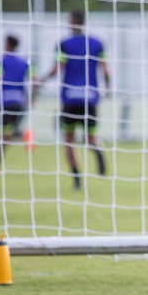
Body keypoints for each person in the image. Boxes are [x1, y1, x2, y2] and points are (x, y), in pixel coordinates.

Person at [39, 10, 111, 190]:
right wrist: (108, 87)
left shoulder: (64, 44)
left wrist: (43, 79)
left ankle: (77, 180)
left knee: (69, 140)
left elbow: (58, 68)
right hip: (90, 98)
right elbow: (105, 69)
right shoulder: (96, 43)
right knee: (90, 138)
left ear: (72, 22)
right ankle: (98, 153)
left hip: (70, 98)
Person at [0, 34, 35, 174]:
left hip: (5, 101)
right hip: (20, 101)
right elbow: (34, 79)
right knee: (7, 134)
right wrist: (32, 97)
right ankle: (22, 135)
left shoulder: (1, 61)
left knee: (0, 135)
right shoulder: (25, 62)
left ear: (7, 44)